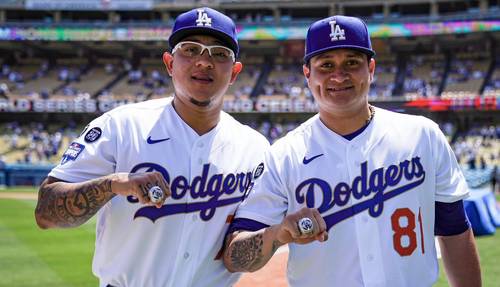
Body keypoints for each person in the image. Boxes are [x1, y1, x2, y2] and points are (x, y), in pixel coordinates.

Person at [223, 15, 481, 287]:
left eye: (352, 63)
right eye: (326, 65)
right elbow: (234, 256)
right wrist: (278, 233)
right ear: (307, 74)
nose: (339, 75)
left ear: (370, 68)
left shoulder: (423, 136)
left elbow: (454, 230)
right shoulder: (283, 156)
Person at [35, 7, 269, 287]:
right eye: (190, 49)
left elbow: (239, 251)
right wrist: (113, 184)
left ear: (234, 72)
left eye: (219, 54)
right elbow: (46, 212)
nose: (204, 62)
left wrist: (280, 232)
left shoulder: (255, 148)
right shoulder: (121, 127)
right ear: (169, 64)